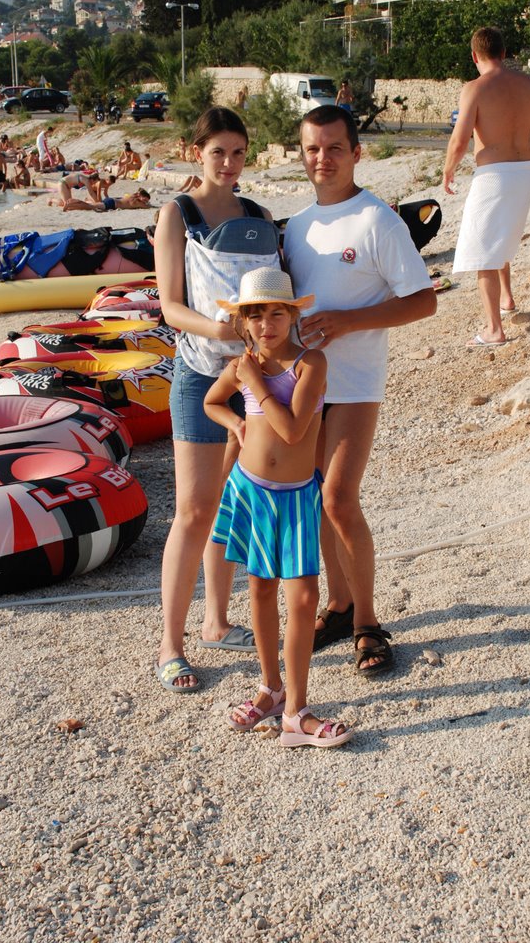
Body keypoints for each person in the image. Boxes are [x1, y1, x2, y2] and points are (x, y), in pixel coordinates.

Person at [283, 104, 437, 676]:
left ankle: (370, 621)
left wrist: (348, 321)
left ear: (356, 152)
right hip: (302, 383)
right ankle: (341, 605)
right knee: (318, 499)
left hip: (354, 384)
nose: (323, 159)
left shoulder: (378, 220)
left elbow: (424, 300)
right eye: (312, 149)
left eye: (334, 148)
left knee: (340, 499)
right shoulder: (296, 226)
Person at [153, 106, 282, 693]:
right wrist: (219, 330)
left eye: (237, 152)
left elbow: (275, 296)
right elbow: (169, 306)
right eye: (217, 153)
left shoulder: (259, 216)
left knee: (235, 506)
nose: (229, 164)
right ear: (195, 152)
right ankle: (170, 647)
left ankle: (216, 621)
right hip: (201, 375)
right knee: (194, 510)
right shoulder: (177, 212)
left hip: (255, 379)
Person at [204, 268, 353, 747]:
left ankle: (296, 710)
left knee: (305, 598)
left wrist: (254, 382)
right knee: (261, 592)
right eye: (255, 315)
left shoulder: (311, 363)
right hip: (250, 490)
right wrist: (236, 423)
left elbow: (292, 431)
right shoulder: (241, 364)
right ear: (243, 322)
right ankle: (270, 688)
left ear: (292, 314)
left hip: (296, 495)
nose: (266, 324)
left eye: (276, 313)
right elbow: (212, 402)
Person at [443, 26, 530, 346]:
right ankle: (507, 298)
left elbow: (460, 137)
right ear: (504, 53)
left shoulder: (474, 88)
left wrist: (448, 169)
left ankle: (494, 329)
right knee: (502, 236)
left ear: (474, 56)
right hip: (525, 172)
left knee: (483, 250)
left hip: (493, 175)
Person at [62, 187, 152, 211]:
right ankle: (71, 202)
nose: (146, 201)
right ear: (142, 196)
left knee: (90, 206)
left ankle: (71, 206)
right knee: (89, 206)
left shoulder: (133, 196)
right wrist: (148, 204)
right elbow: (148, 207)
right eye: (146, 199)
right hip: (111, 204)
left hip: (111, 200)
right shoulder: (137, 202)